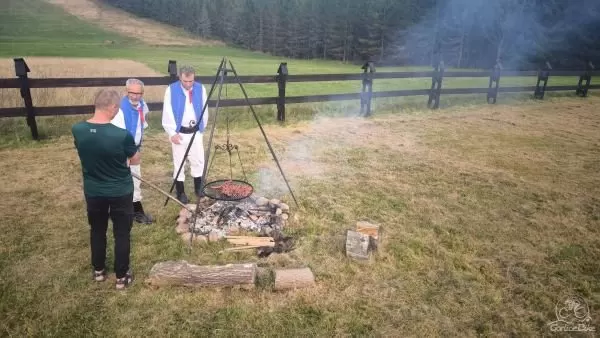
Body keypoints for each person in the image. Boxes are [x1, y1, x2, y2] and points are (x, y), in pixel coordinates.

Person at [72, 88, 138, 290]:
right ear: (113, 107)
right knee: (121, 233)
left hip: (94, 191)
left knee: (97, 230)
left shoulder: (78, 129)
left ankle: (99, 271)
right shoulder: (122, 135)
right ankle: (121, 277)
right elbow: (135, 159)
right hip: (120, 191)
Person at [161, 65, 209, 204]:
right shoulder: (171, 90)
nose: (188, 84)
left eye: (191, 81)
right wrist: (172, 133)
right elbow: (167, 112)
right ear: (180, 78)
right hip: (179, 132)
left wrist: (201, 127)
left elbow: (204, 109)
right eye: (185, 81)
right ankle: (180, 191)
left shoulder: (200, 88)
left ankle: (198, 187)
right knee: (179, 162)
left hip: (195, 132)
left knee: (198, 160)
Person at [111, 78, 154, 224]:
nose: (135, 96)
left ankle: (134, 210)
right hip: (120, 149)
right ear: (126, 92)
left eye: (138, 93)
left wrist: (138, 145)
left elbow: (142, 123)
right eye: (132, 93)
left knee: (135, 179)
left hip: (134, 147)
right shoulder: (119, 109)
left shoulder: (142, 105)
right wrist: (125, 153)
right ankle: (128, 211)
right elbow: (115, 133)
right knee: (120, 180)